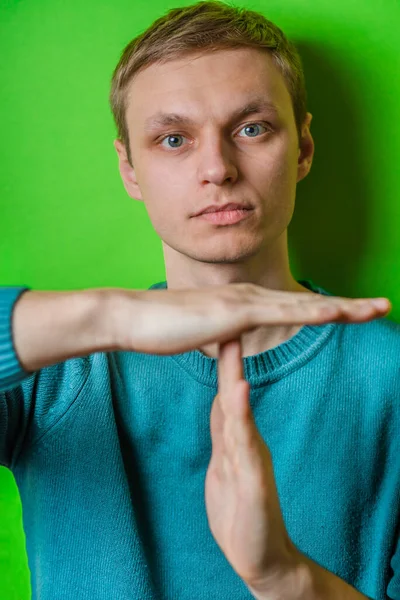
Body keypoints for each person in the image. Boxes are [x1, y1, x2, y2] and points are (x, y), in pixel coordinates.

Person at [1, 1, 399, 599]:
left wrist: (283, 576)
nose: (217, 168)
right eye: (172, 139)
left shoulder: (390, 375)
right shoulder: (57, 366)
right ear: (129, 170)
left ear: (304, 148)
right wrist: (112, 317)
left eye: (251, 128)